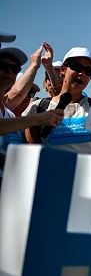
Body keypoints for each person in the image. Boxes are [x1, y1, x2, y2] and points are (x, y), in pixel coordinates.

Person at [0, 46, 63, 185]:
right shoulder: (28, 117)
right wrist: (37, 119)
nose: (9, 72)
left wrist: (36, 65)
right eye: (2, 66)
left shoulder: (9, 115)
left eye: (14, 69)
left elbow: (18, 94)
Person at [22, 47, 91, 154]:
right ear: (63, 70)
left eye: (88, 71)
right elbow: (32, 153)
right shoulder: (39, 107)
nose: (82, 73)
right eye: (77, 67)